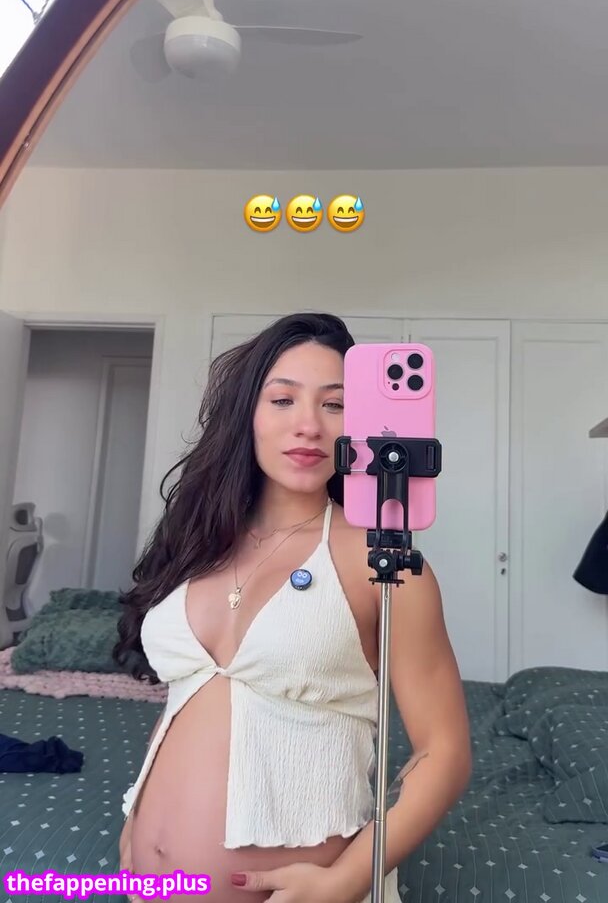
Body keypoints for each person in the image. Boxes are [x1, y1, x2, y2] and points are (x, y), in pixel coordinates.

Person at [113, 312, 472, 903]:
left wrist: (342, 883)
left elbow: (445, 753)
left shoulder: (381, 559)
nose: (308, 425)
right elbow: (191, 693)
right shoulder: (198, 543)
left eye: (335, 405)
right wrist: (137, 817)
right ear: (246, 415)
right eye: (282, 399)